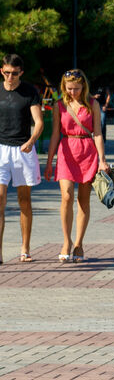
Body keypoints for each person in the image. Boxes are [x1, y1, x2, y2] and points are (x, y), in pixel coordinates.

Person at [44, 69, 111, 263]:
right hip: (66, 150)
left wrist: (102, 160)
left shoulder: (93, 104)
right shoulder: (60, 105)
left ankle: (79, 243)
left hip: (87, 151)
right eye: (69, 88)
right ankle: (66, 241)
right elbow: (55, 134)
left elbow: (97, 133)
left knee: (83, 200)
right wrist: (49, 162)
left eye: (76, 88)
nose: (73, 92)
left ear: (84, 87)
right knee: (66, 196)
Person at [0, 54, 44, 263]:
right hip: (1, 150)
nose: (10, 77)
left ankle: (25, 248)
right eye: (7, 73)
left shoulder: (29, 92)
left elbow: (39, 121)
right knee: (0, 200)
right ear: (2, 71)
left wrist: (32, 139)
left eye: (14, 73)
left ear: (21, 73)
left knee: (24, 201)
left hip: (23, 150)